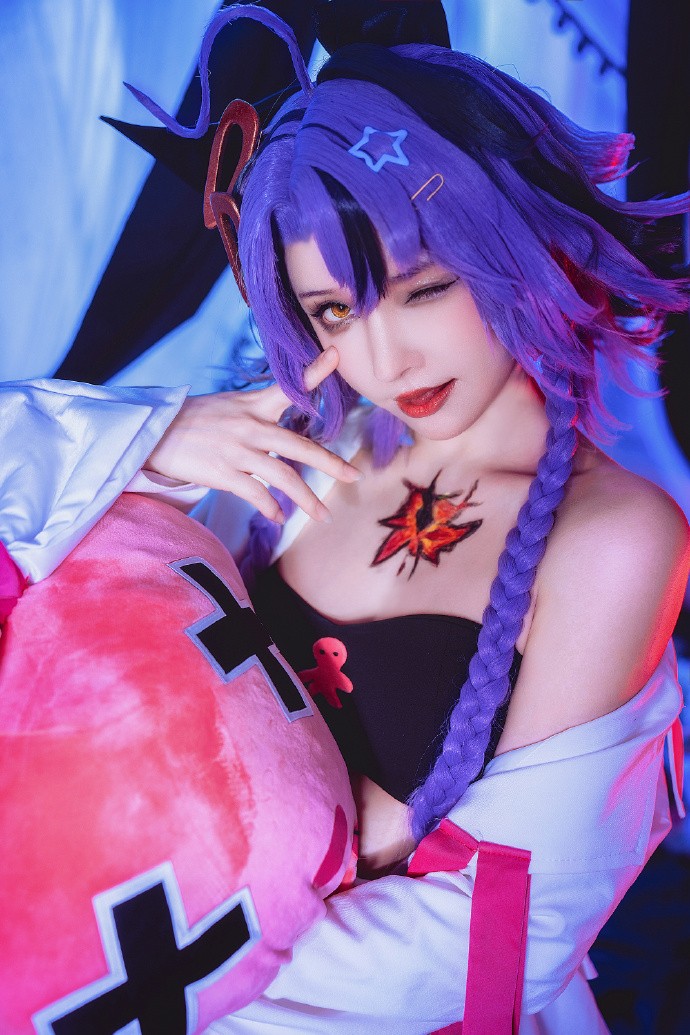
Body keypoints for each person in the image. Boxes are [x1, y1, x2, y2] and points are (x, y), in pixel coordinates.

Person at [1, 5, 689, 1032]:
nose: (382, 359)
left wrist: (176, 992)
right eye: (333, 310)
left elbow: (498, 929)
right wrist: (152, 435)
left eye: (423, 289)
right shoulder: (284, 455)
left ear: (512, 239)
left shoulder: (615, 538)